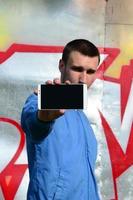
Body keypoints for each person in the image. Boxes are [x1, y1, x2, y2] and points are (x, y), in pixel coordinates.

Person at [21, 39, 100, 200]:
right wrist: (44, 118)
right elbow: (34, 124)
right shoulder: (39, 101)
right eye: (77, 69)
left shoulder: (83, 119)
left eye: (90, 71)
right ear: (61, 66)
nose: (84, 79)